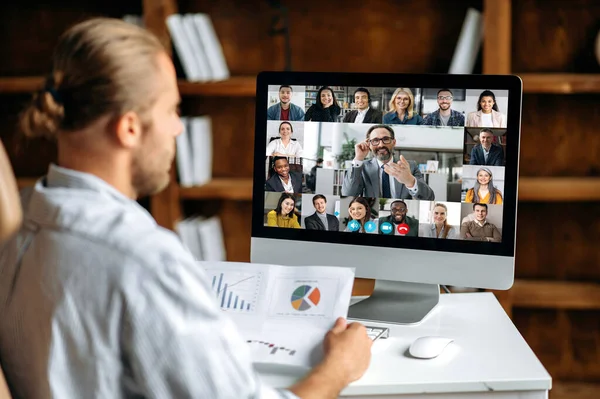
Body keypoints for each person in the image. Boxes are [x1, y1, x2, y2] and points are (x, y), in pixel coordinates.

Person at [0, 18, 372, 399]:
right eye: (171, 111)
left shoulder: (19, 223)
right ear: (129, 128)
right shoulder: (142, 261)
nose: (178, 129)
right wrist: (340, 368)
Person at [341, 124, 434, 200]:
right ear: (369, 145)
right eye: (375, 140)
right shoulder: (362, 167)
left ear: (394, 142)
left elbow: (429, 198)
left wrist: (410, 181)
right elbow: (348, 194)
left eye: (385, 139)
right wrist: (358, 158)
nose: (381, 145)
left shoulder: (410, 166)